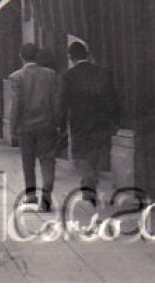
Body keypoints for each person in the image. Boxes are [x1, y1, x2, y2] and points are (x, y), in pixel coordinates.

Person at [62, 37, 119, 208]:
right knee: (95, 151)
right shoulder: (102, 72)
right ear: (87, 54)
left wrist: (60, 122)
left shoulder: (68, 76)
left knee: (80, 154)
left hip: (79, 122)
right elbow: (112, 98)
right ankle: (91, 178)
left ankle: (89, 181)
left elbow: (63, 101)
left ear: (71, 57)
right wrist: (114, 120)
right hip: (100, 121)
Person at [6, 41, 63, 210]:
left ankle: (31, 195)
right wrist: (58, 123)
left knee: (27, 161)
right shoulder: (50, 75)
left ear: (21, 56)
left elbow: (15, 104)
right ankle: (46, 197)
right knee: (47, 160)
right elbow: (56, 102)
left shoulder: (16, 77)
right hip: (46, 124)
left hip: (26, 126)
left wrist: (12, 127)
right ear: (36, 56)